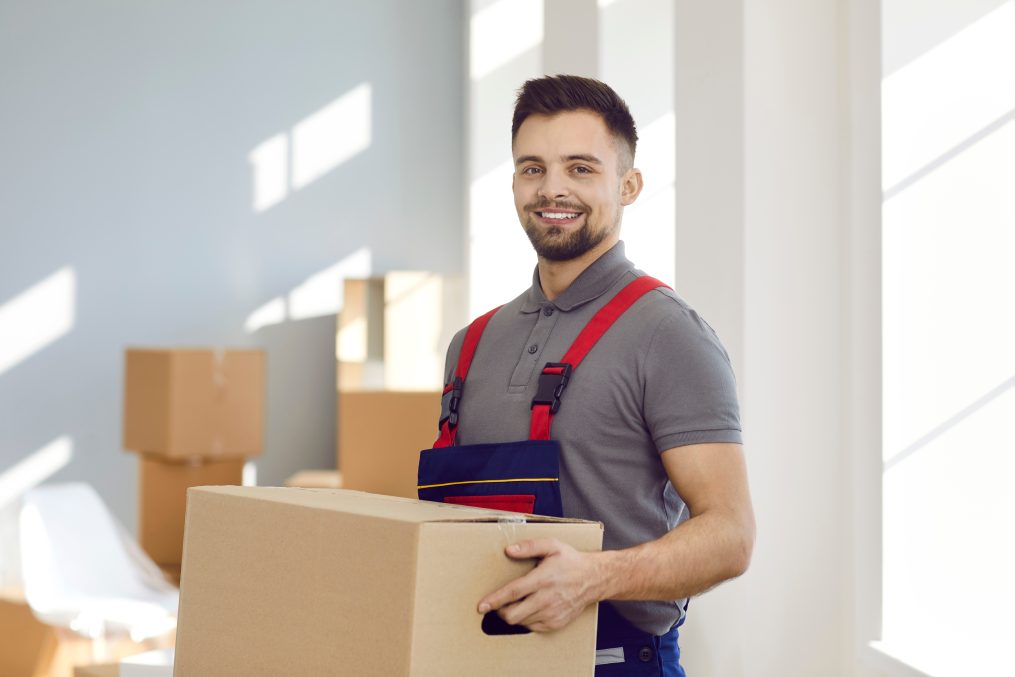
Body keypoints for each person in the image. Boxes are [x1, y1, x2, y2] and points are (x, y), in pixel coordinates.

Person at [417, 75, 755, 677]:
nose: (553, 189)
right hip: (473, 656)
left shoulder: (669, 334)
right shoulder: (470, 344)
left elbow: (731, 535)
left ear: (628, 186)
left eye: (580, 168)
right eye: (532, 168)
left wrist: (594, 577)